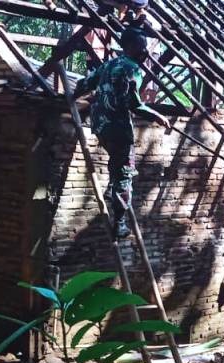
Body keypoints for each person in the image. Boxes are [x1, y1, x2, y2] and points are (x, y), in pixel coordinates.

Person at [75, 27, 170, 239]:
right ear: (129, 46)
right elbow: (134, 104)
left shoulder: (109, 64)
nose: (144, 50)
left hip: (100, 125)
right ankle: (119, 223)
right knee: (125, 173)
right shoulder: (132, 67)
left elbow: (87, 83)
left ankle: (111, 188)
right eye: (141, 45)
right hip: (118, 127)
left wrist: (71, 95)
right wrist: (156, 116)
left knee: (116, 160)